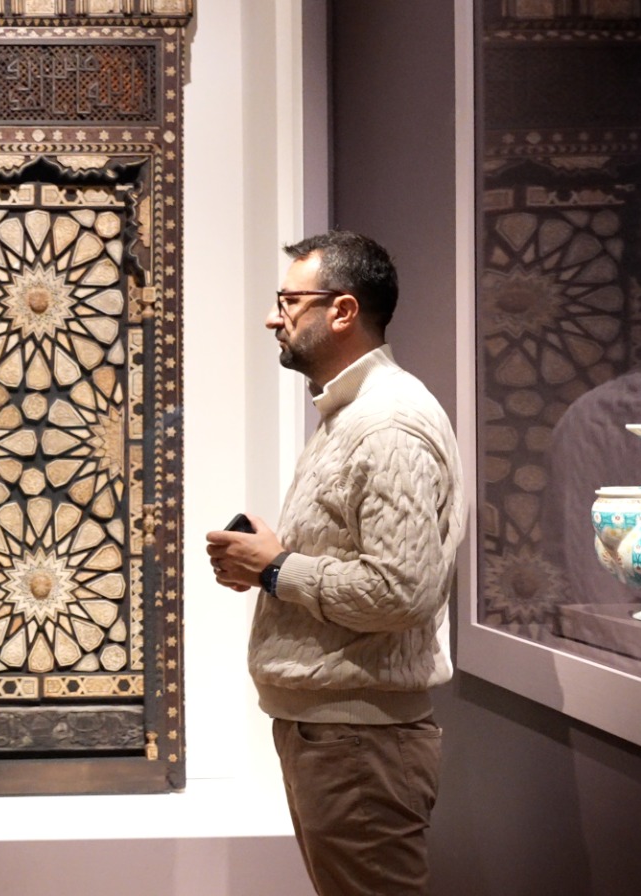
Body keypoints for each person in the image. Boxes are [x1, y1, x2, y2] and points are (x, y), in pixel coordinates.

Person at [205, 231, 466, 895]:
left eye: (289, 301)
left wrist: (277, 569)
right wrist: (268, 562)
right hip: (343, 735)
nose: (275, 318)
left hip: (358, 739)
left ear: (343, 310)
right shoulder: (354, 416)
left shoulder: (386, 425)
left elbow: (401, 591)